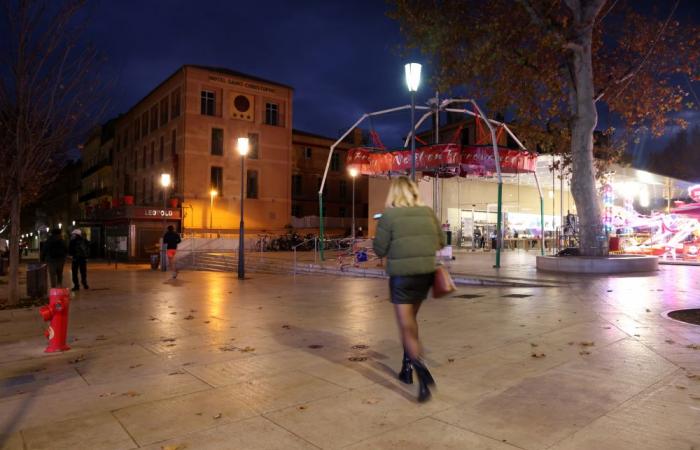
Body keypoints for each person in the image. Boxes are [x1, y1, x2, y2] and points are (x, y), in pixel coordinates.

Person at [373, 176, 445, 402]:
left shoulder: (389, 215)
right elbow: (441, 242)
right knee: (411, 322)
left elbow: (379, 250)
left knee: (406, 326)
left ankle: (422, 374)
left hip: (402, 277)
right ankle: (406, 369)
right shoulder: (428, 213)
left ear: (394, 193)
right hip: (424, 275)